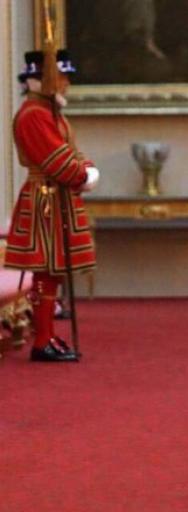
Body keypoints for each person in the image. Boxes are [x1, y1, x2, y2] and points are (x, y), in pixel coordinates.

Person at [4, 49, 99, 362]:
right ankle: (42, 339)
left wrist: (84, 166)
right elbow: (57, 161)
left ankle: (45, 336)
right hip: (46, 198)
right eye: (61, 77)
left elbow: (70, 151)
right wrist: (82, 173)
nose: (66, 83)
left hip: (56, 196)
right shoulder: (34, 115)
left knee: (51, 273)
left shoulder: (49, 112)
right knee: (45, 270)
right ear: (39, 81)